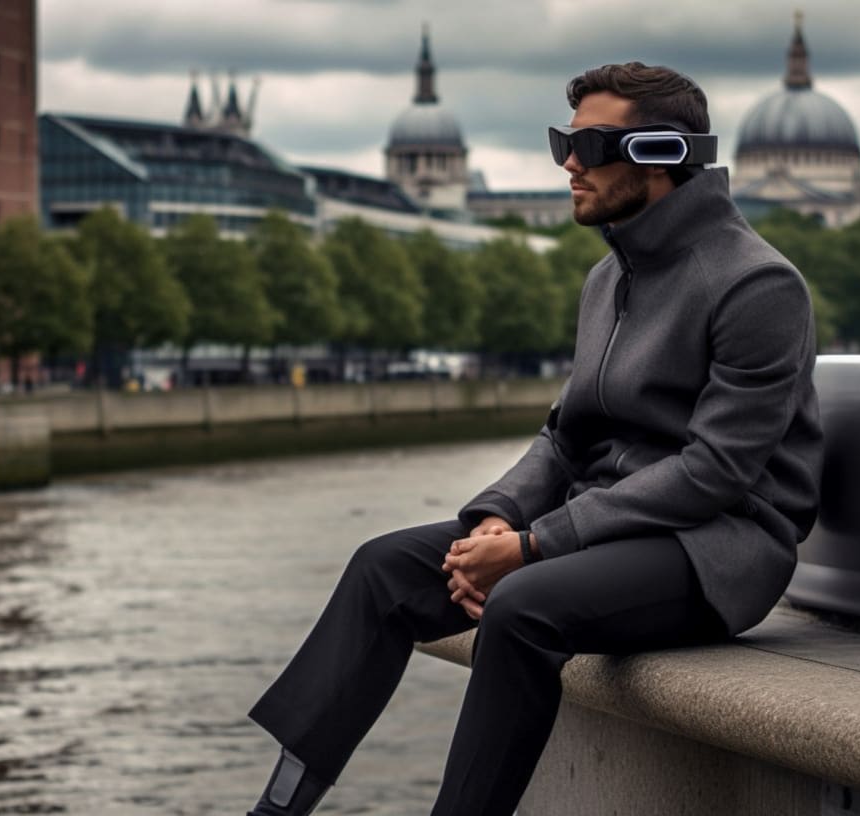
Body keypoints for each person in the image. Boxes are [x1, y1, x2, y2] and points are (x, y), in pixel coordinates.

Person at [246, 61, 822, 816]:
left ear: (660, 155)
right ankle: (277, 810)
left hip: (719, 550)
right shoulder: (605, 279)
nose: (569, 165)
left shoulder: (759, 285)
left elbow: (716, 472)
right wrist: (495, 517)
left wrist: (530, 548)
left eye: (589, 144)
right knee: (382, 568)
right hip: (603, 528)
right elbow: (563, 436)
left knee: (520, 606)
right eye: (563, 142)